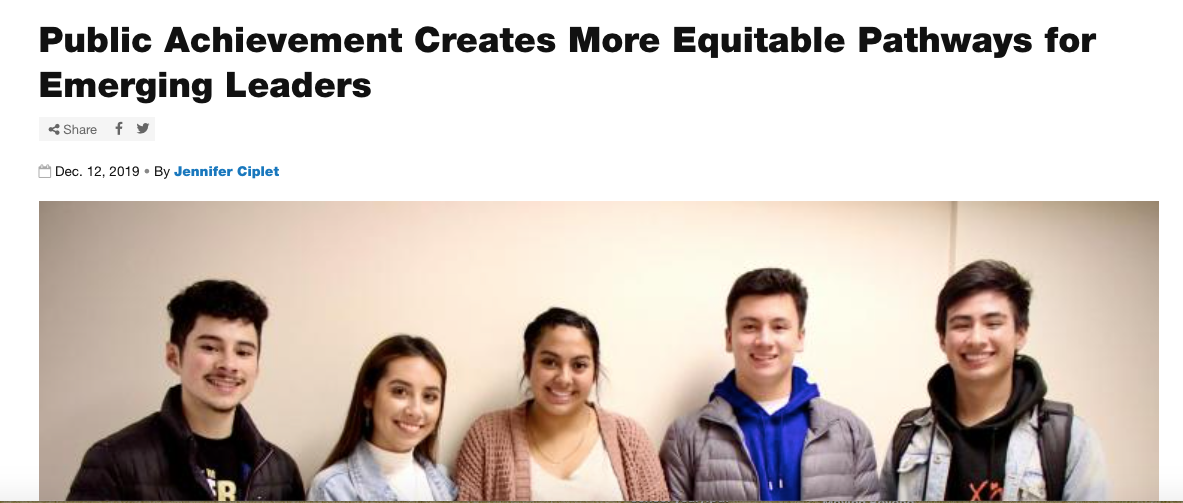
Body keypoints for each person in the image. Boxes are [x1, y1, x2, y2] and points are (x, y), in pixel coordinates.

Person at [880, 259, 1109, 501]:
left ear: (1020, 334)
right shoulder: (912, 435)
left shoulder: (1070, 439)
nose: (977, 338)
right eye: (961, 325)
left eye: (993, 324)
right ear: (942, 339)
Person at [67, 280, 303, 501]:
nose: (228, 365)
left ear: (257, 365)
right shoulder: (114, 461)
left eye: (243, 352)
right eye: (210, 347)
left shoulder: (280, 471)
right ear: (173, 356)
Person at [660, 267, 879, 501]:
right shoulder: (685, 436)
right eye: (750, 326)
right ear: (729, 338)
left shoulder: (849, 431)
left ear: (800, 337)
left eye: (779, 327)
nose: (764, 341)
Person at [453, 307, 669, 501]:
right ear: (527, 363)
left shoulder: (631, 439)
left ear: (594, 370)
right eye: (550, 362)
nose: (564, 378)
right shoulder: (486, 435)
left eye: (579, 365)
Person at [308, 335, 457, 501]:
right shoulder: (333, 489)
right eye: (400, 391)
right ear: (368, 396)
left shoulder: (444, 481)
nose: (415, 411)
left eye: (429, 396)